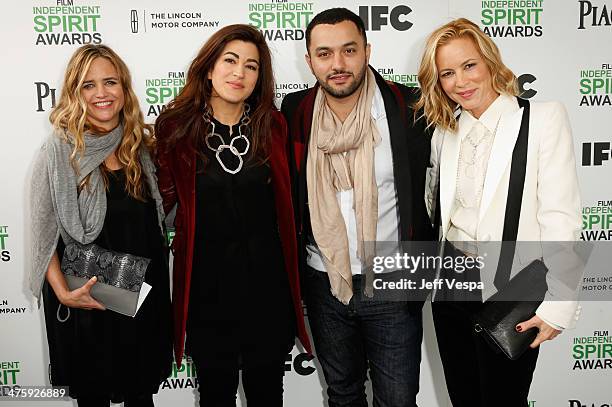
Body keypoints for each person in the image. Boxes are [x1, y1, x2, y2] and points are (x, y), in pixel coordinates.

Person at [416, 18, 582, 407]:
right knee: (463, 397)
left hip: (514, 290)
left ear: (490, 61)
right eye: (447, 73)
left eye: (469, 65)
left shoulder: (541, 119)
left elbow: (561, 217)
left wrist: (558, 307)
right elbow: (437, 210)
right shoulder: (444, 133)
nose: (461, 81)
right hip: (451, 288)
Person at [281, 8, 434, 407]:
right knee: (343, 394)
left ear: (367, 51)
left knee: (398, 399)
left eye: (349, 50)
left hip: (393, 276)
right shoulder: (295, 111)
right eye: (325, 53)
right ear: (309, 59)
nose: (338, 64)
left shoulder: (408, 106)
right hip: (324, 280)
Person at [155, 24, 312, 407]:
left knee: (267, 396)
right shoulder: (174, 129)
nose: (239, 73)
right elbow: (157, 207)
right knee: (214, 396)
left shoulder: (273, 126)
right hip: (207, 294)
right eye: (230, 61)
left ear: (260, 78)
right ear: (209, 68)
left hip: (268, 293)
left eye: (251, 66)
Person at [29, 44, 173, 407]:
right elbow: (44, 235)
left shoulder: (143, 146)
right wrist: (63, 294)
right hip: (86, 302)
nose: (102, 94)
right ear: (75, 93)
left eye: (110, 82)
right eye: (88, 85)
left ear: (124, 88)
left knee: (141, 396)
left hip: (143, 297)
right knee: (93, 398)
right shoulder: (60, 152)